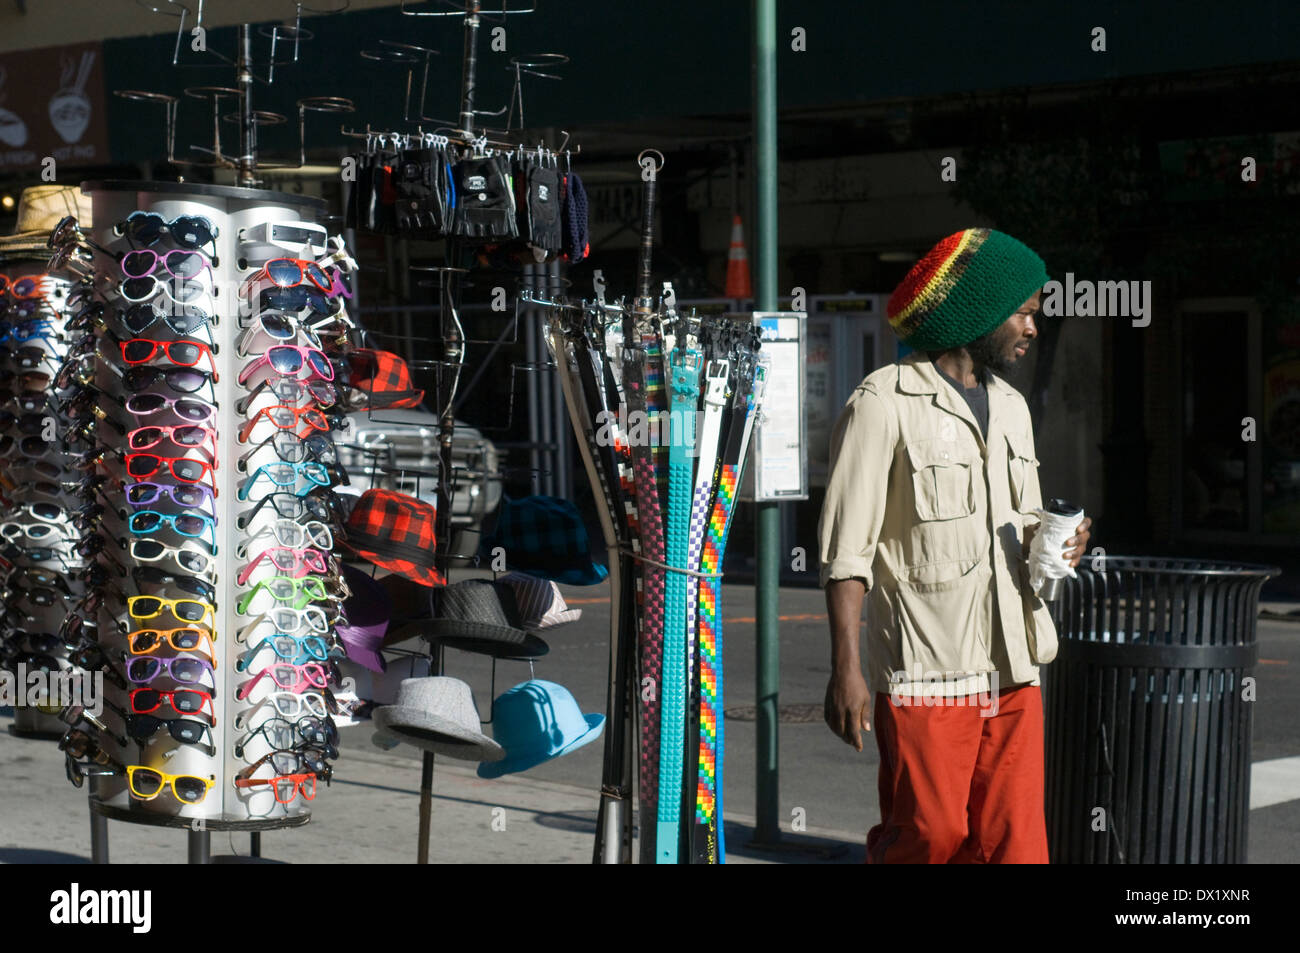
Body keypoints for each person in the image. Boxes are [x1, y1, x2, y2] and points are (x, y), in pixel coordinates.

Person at [817, 227, 1091, 864]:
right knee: (931, 839)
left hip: (1013, 667)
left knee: (1016, 848)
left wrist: (1062, 538)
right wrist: (846, 667)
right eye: (1024, 313)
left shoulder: (1015, 408)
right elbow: (845, 551)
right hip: (926, 673)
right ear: (981, 314)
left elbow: (1022, 522)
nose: (1031, 328)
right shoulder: (883, 403)